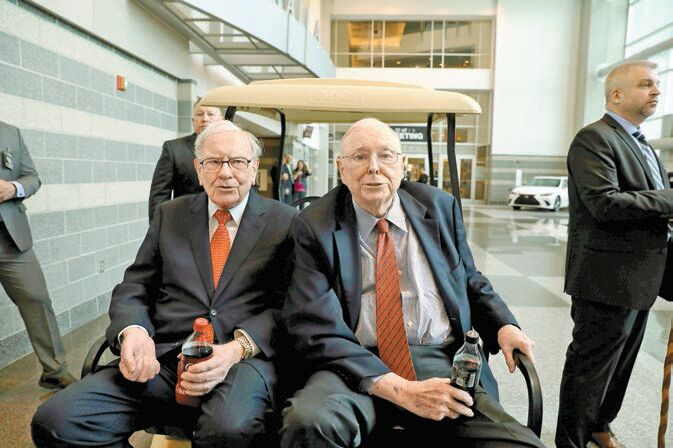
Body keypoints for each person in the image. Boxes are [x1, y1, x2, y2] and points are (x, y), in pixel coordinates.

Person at [280, 118, 545, 448]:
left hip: (438, 360)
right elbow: (314, 325)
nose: (374, 167)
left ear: (402, 164)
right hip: (354, 365)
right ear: (341, 168)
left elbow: (468, 278)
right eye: (360, 156)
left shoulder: (439, 207)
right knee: (308, 423)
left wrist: (504, 325)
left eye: (386, 155)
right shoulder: (314, 224)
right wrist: (401, 390)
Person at [32, 121, 297, 447]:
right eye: (214, 162)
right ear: (199, 169)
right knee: (57, 422)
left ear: (254, 168)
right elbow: (135, 286)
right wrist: (134, 331)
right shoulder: (170, 214)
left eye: (237, 162)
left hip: (241, 362)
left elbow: (289, 305)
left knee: (226, 430)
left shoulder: (285, 222)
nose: (226, 173)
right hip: (166, 358)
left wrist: (236, 349)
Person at [556, 60, 673, 448]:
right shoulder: (594, 138)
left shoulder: (642, 143)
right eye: (646, 84)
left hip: (641, 278)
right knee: (590, 368)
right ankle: (571, 442)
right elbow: (604, 203)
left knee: (620, 366)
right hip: (606, 279)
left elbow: (652, 210)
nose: (656, 91)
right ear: (617, 94)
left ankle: (599, 426)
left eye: (657, 84)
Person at [0, 121, 77, 390]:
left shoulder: (10, 132)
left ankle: (54, 371)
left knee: (37, 298)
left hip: (11, 239)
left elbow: (32, 178)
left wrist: (13, 188)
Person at [148, 98, 224, 221]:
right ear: (193, 120)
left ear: (221, 120)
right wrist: (158, 228)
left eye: (210, 114)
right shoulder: (174, 149)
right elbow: (159, 196)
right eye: (199, 114)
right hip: (185, 223)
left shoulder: (233, 148)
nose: (205, 119)